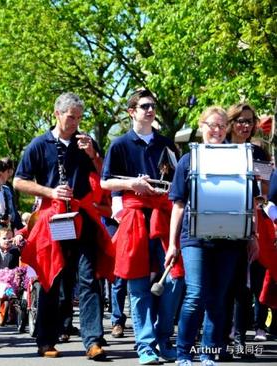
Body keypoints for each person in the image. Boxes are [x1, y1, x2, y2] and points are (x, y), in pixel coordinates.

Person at [14, 92, 114, 359]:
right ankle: (46, 340)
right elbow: (19, 182)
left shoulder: (86, 142)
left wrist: (93, 154)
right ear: (57, 114)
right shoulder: (39, 144)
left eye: (80, 118)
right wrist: (49, 192)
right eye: (71, 117)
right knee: (53, 279)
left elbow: (105, 178)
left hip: (83, 218)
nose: (75, 123)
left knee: (89, 279)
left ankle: (92, 341)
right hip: (53, 219)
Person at [165, 106, 257, 366]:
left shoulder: (240, 157)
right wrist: (172, 244)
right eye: (210, 125)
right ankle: (184, 353)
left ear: (226, 128)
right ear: (201, 126)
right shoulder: (188, 160)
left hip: (230, 238)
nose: (215, 130)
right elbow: (178, 204)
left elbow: (248, 202)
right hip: (194, 238)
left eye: (220, 126)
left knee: (218, 299)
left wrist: (253, 236)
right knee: (195, 294)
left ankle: (208, 353)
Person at [100, 89, 184, 364]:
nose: (150, 110)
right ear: (131, 111)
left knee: (173, 281)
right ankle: (145, 346)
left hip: (162, 215)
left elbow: (177, 181)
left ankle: (163, 338)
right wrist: (131, 184)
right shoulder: (120, 144)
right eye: (144, 106)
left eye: (153, 106)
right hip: (135, 217)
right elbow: (105, 182)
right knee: (137, 286)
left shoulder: (166, 144)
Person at [222, 103, 270, 358]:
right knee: (223, 283)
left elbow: (263, 188)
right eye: (240, 120)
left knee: (245, 283)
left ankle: (240, 337)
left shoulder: (259, 152)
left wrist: (260, 202)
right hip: (220, 220)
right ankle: (220, 336)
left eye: (249, 121)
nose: (245, 125)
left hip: (250, 221)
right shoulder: (219, 148)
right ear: (231, 122)